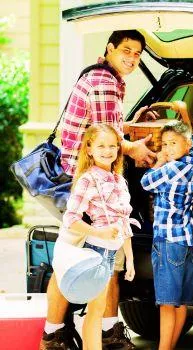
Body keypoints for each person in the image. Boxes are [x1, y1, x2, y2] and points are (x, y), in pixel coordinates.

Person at [40, 30, 155, 350]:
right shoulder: (105, 83)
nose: (132, 58)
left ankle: (60, 334)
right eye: (127, 51)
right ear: (110, 49)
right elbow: (108, 140)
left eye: (138, 54)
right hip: (88, 185)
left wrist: (133, 125)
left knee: (82, 260)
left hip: (87, 180)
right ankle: (98, 335)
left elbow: (109, 129)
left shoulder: (105, 78)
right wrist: (134, 150)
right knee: (92, 262)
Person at [57, 124, 139, 349]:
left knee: (99, 309)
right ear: (89, 149)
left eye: (112, 146)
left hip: (112, 252)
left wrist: (130, 258)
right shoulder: (87, 179)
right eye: (101, 145)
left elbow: (124, 222)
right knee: (95, 310)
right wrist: (98, 231)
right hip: (96, 251)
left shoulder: (119, 180)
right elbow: (71, 218)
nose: (107, 150)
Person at [140, 120, 193, 350]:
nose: (167, 149)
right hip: (188, 241)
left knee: (166, 304)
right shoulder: (192, 161)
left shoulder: (173, 168)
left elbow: (146, 182)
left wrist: (159, 161)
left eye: (173, 143)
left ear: (185, 143)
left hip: (168, 242)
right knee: (181, 303)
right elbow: (192, 140)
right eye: (164, 144)